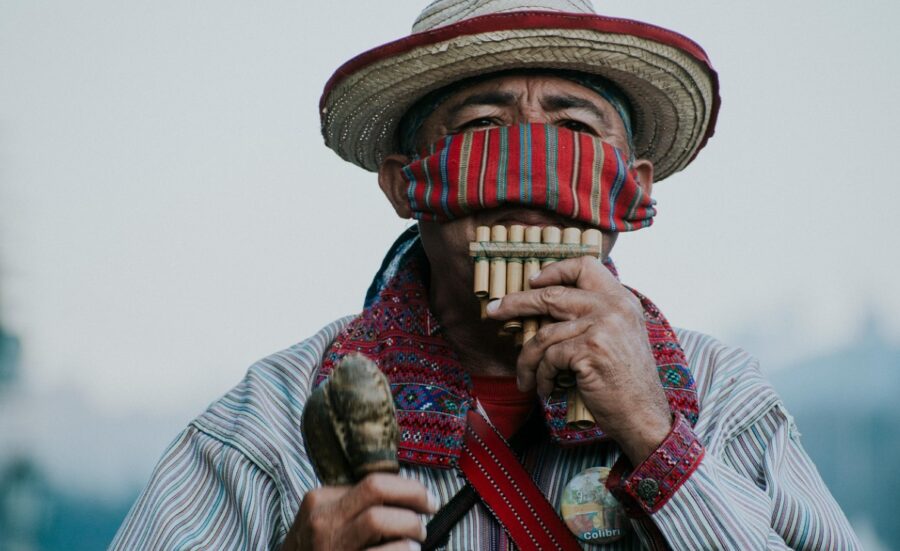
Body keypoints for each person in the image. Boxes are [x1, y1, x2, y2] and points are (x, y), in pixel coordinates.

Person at [111, 1, 861, 549]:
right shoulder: (263, 427)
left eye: (572, 131)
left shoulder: (726, 398)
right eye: (480, 130)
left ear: (630, 190)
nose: (529, 179)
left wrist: (657, 434)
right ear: (407, 185)